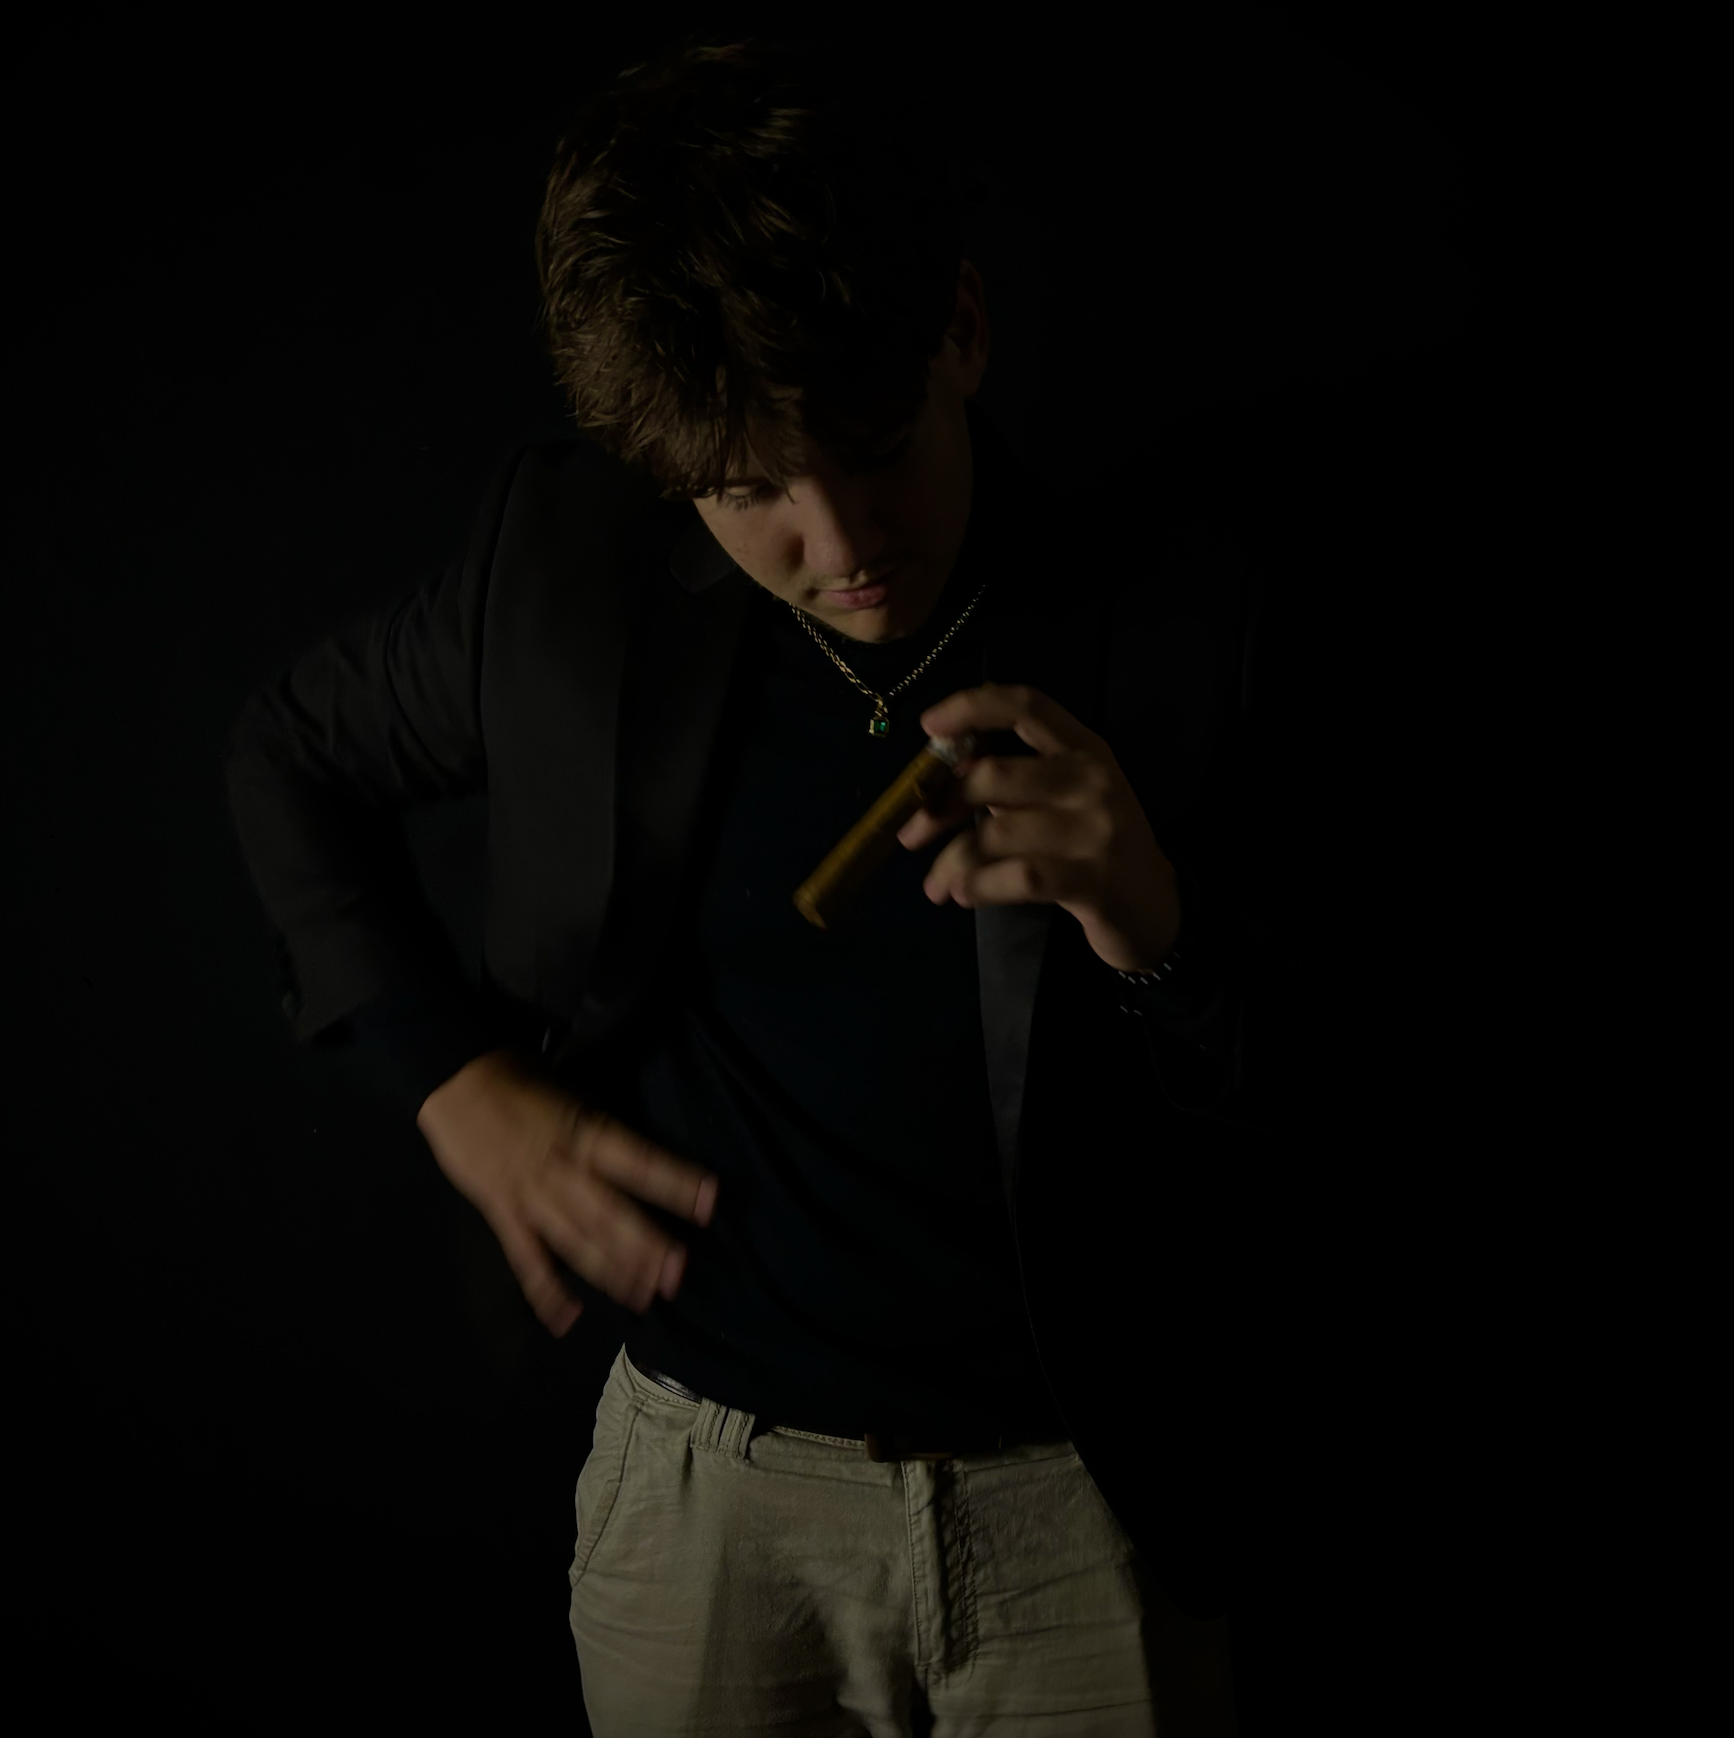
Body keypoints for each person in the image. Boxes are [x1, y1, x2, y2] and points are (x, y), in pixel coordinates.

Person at [225, 29, 1271, 1736]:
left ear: (960, 329)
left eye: (869, 442)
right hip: (705, 1491)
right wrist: (451, 1083)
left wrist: (1158, 925)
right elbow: (287, 754)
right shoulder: (561, 576)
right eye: (751, 492)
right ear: (667, 473)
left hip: (1083, 1513)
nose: (842, 539)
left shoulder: (1189, 606)